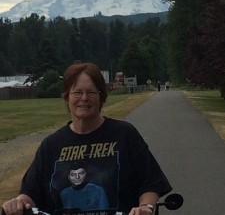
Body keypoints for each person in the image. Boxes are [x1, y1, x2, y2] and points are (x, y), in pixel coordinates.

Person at [2, 62, 172, 215]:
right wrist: (18, 204)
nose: (84, 98)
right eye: (77, 92)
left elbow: (151, 183)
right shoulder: (51, 145)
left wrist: (146, 208)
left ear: (101, 97)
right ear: (67, 97)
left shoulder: (124, 134)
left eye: (91, 92)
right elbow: (30, 193)